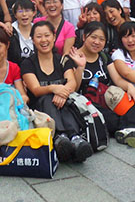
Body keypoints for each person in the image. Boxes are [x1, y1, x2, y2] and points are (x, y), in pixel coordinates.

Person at [21, 21, 93, 163]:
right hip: (41, 110)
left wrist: (62, 93)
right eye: (39, 36)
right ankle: (60, 136)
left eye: (47, 35)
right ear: (33, 40)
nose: (44, 40)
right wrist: (54, 88)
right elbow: (36, 90)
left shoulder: (62, 60)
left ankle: (74, 138)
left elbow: (72, 82)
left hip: (63, 105)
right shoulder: (28, 63)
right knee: (47, 98)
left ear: (54, 37)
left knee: (65, 101)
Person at [76, 22, 135, 146]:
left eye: (101, 39)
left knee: (133, 102)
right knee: (107, 117)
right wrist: (80, 67)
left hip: (107, 98)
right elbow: (74, 88)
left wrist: (130, 87)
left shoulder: (103, 57)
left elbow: (117, 80)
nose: (97, 42)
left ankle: (130, 130)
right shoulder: (72, 57)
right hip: (86, 102)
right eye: (93, 37)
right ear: (84, 37)